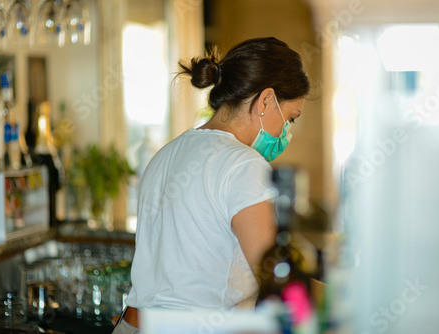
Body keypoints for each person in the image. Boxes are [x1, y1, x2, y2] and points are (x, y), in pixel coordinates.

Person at [112, 37, 310, 334]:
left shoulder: (166, 154)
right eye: (290, 120)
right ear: (266, 100)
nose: (285, 132)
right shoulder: (244, 165)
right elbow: (276, 279)